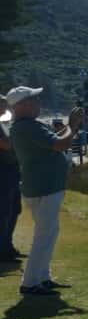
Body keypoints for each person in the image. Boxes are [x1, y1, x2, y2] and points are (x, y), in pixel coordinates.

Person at [6, 86, 85, 296]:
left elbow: (51, 141)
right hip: (45, 187)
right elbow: (60, 144)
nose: (38, 102)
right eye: (34, 99)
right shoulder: (28, 126)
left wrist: (68, 128)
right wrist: (72, 126)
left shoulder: (23, 127)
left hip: (42, 186)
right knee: (45, 235)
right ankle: (31, 282)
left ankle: (42, 277)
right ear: (23, 105)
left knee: (48, 233)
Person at [0, 99, 21, 261]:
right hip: (4, 172)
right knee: (5, 211)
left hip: (11, 170)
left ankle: (7, 245)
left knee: (13, 209)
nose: (5, 106)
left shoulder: (4, 123)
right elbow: (6, 145)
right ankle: (3, 249)